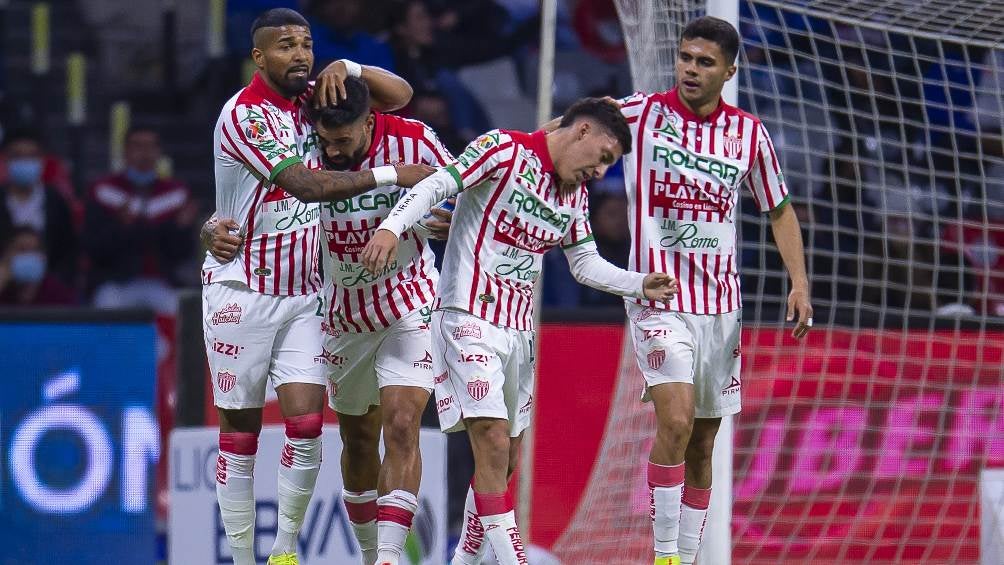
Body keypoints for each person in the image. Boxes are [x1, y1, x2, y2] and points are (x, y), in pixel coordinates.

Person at [362, 97, 680, 565]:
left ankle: (463, 561)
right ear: (583, 132)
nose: (600, 171)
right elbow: (436, 185)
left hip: (518, 335)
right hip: (467, 317)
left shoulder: (573, 197)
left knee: (505, 460)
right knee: (489, 438)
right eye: (604, 158)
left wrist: (638, 285)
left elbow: (585, 263)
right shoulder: (502, 150)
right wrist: (392, 227)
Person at [201, 8, 433, 565]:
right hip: (242, 288)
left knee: (306, 425)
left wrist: (349, 64)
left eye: (305, 43)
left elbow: (397, 98)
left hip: (307, 294)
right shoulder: (245, 116)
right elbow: (303, 184)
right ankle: (239, 554)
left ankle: (284, 552)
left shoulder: (311, 102)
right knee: (240, 430)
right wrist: (389, 175)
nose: (299, 55)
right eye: (285, 46)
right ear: (258, 57)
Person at [608, 17, 813, 565]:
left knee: (702, 442)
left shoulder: (749, 133)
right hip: (658, 298)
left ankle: (689, 556)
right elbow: (570, 131)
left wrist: (799, 283)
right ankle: (665, 556)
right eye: (685, 58)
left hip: (720, 307)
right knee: (674, 420)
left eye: (704, 62)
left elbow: (779, 209)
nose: (690, 70)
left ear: (729, 71)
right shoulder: (642, 113)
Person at [84, 127, 198, 314]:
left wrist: (180, 228)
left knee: (181, 314)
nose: (144, 153)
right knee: (106, 307)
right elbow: (93, 246)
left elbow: (183, 252)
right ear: (125, 151)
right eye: (137, 146)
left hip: (163, 282)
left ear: (159, 152)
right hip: (117, 282)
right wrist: (121, 225)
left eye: (150, 146)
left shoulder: (176, 194)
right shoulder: (103, 190)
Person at [0, 130, 77, 285]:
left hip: (49, 293)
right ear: (6, 159)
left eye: (31, 156)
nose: (24, 162)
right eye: (17, 156)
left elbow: (69, 252)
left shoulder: (56, 201)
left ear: (42, 160)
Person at [0, 226, 77, 306]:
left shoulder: (58, 292)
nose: (29, 256)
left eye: (35, 250)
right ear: (6, 255)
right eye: (22, 250)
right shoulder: (3, 288)